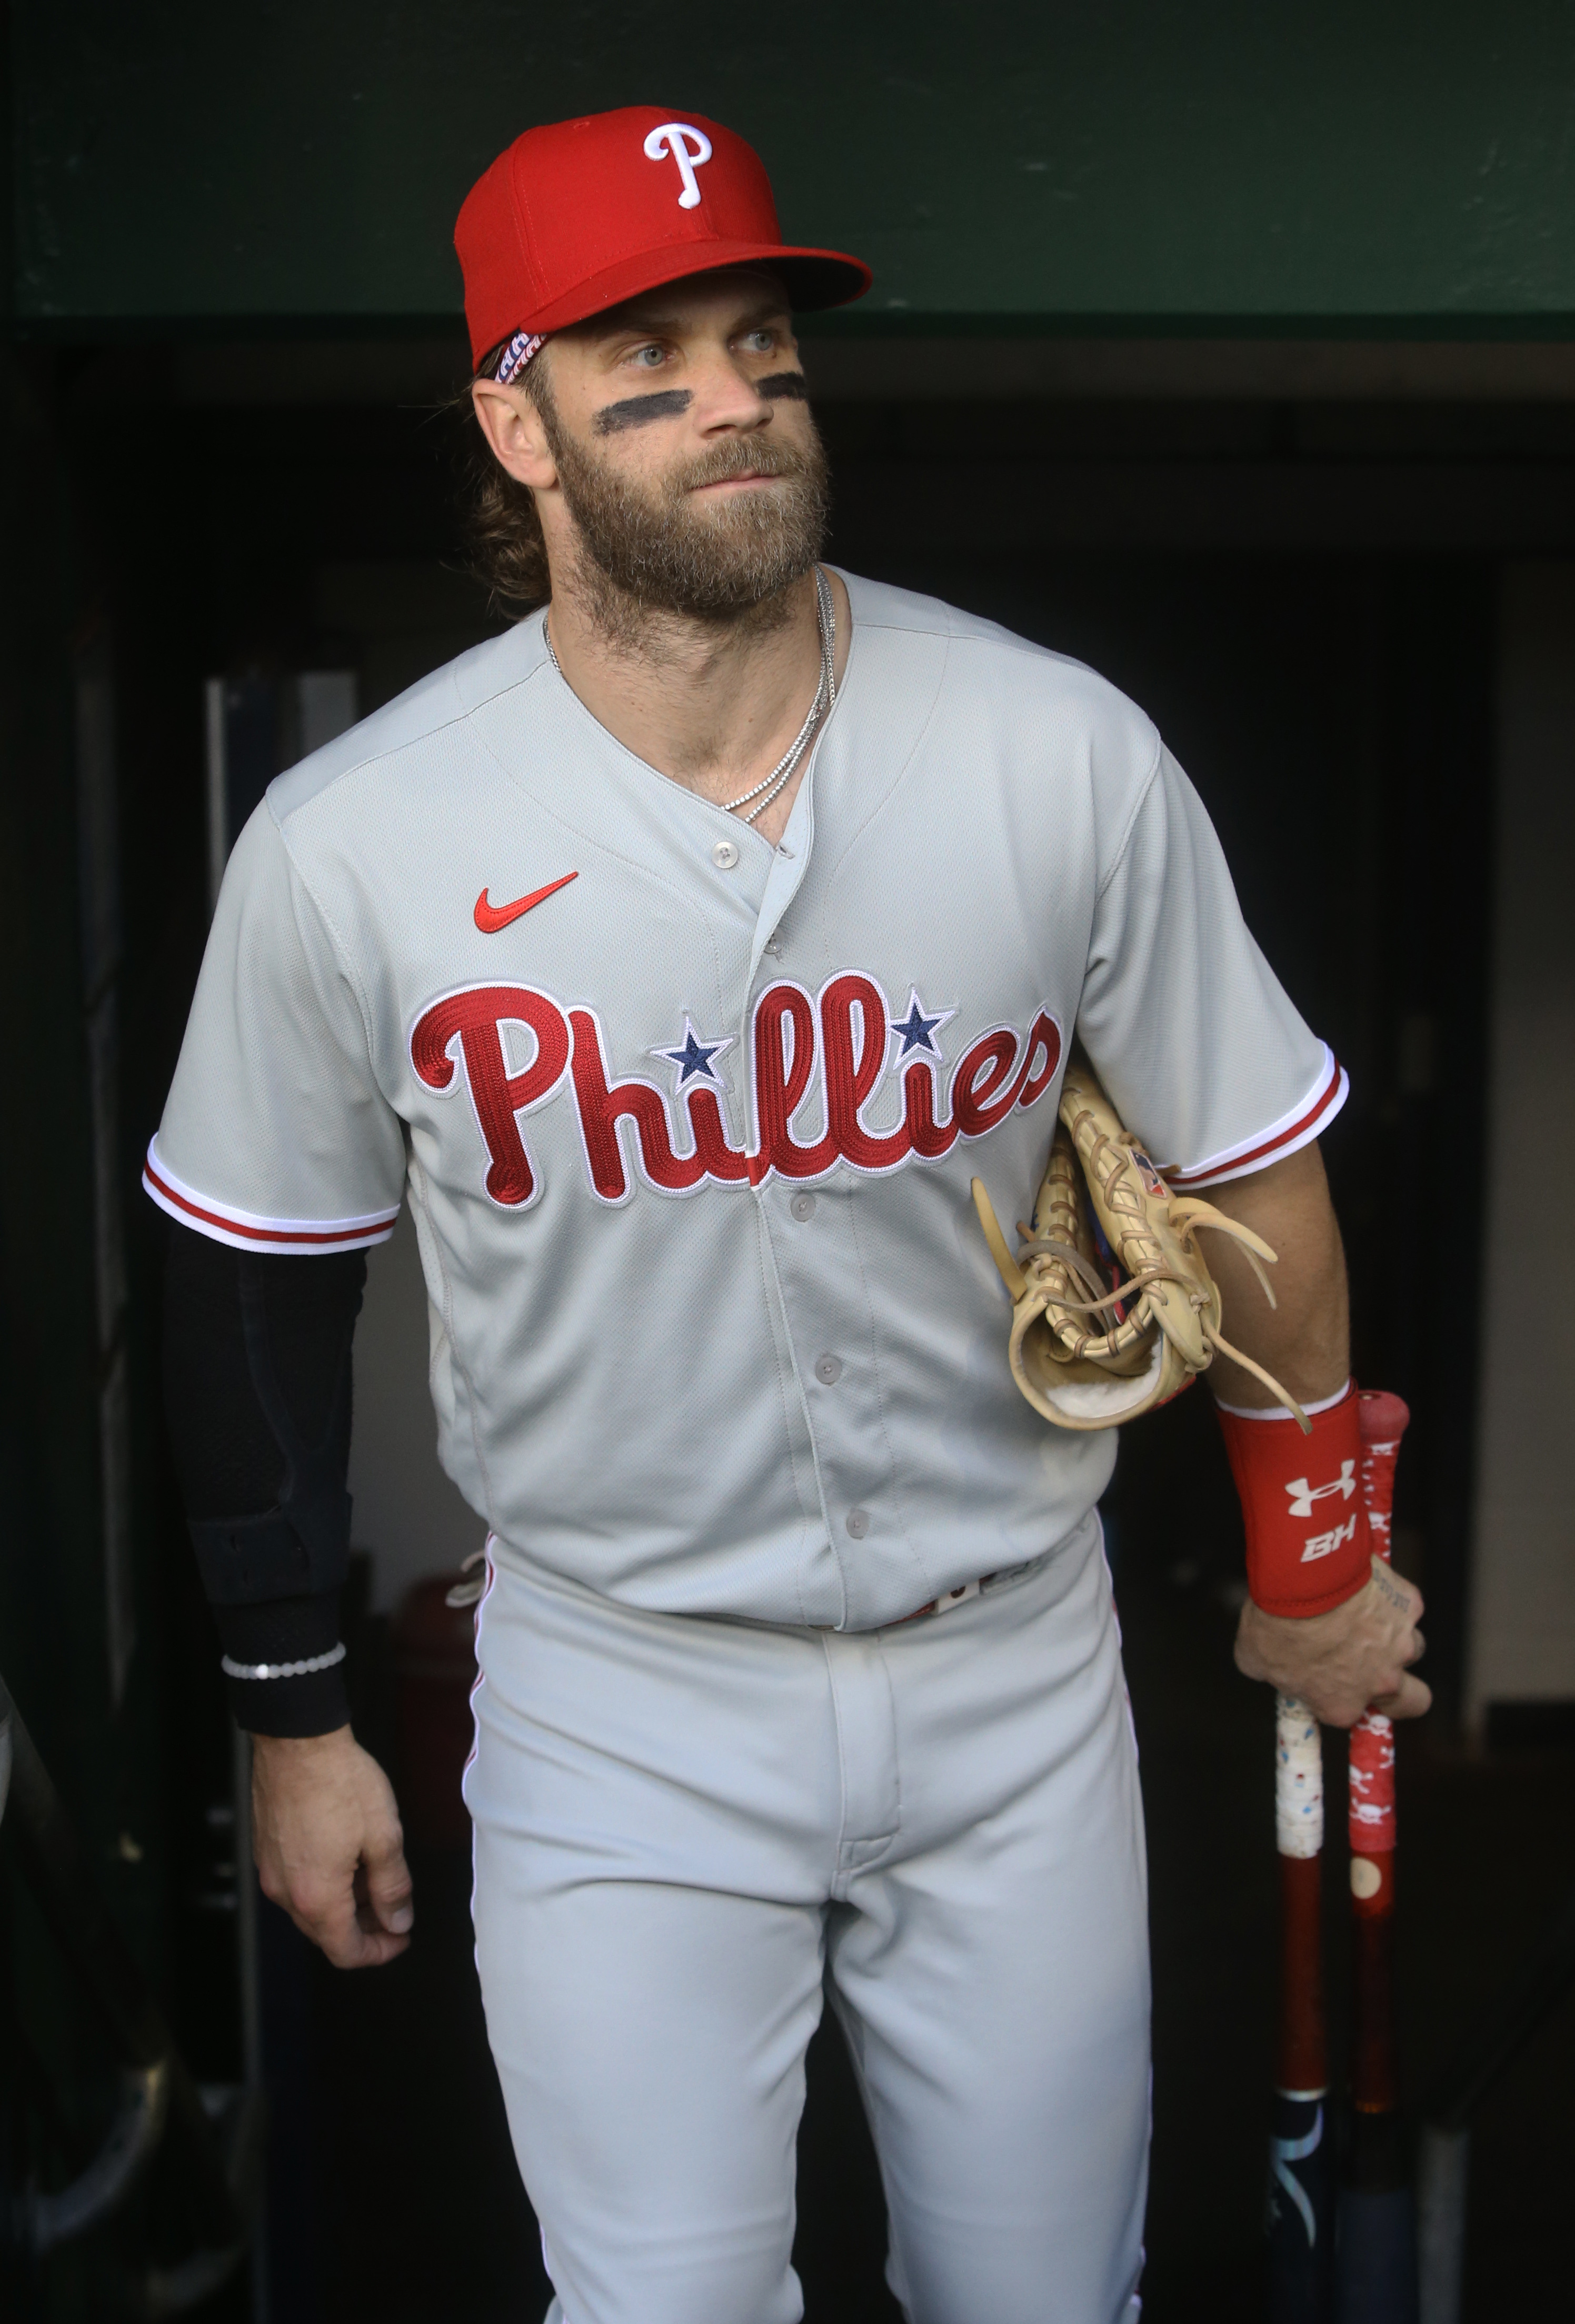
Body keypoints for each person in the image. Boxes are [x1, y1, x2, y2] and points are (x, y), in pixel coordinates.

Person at [150, 105, 1428, 2324]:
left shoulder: (1054, 749)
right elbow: (248, 1280)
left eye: (760, 344)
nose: (729, 395)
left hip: (1012, 1654)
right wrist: (294, 1718)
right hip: (618, 1688)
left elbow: (1250, 1171)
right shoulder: (353, 841)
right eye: (641, 359)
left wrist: (1311, 1569)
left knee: (1045, 2302)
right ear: (511, 421)